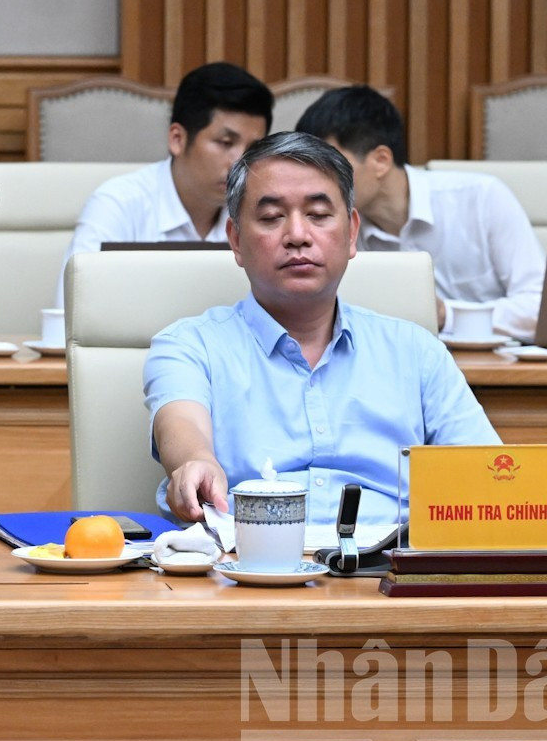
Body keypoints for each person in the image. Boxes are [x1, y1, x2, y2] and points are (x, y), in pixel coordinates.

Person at [146, 132, 498, 532]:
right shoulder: (189, 345)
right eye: (271, 217)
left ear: (351, 232)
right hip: (245, 565)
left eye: (318, 214)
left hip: (391, 570)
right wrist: (197, 462)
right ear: (236, 240)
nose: (297, 235)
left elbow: (486, 473)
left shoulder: (417, 350)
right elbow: (182, 428)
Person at [296, 85, 545, 339]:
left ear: (381, 161)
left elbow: (540, 307)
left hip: (496, 366)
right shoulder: (333, 228)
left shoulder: (481, 198)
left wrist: (447, 315)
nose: (315, 182)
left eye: (330, 165)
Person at [59, 61, 275, 296]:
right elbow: (73, 312)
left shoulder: (262, 211)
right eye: (225, 143)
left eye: (253, 148)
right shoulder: (118, 205)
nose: (240, 162)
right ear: (177, 139)